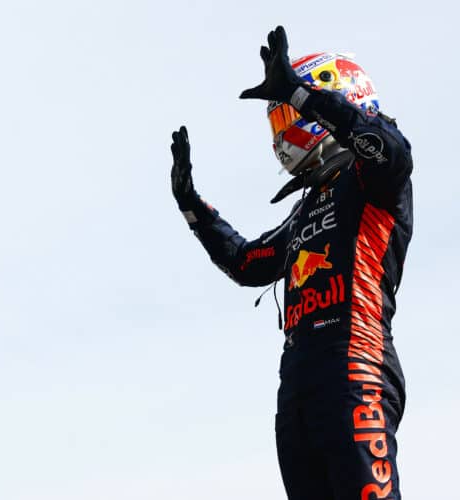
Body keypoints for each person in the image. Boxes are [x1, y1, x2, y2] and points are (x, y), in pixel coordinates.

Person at [170, 25, 413, 500]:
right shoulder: (307, 206)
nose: (283, 131)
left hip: (355, 362)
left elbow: (390, 148)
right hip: (299, 383)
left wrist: (302, 94)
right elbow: (248, 263)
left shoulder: (377, 179)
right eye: (279, 117)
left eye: (286, 113)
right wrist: (191, 206)